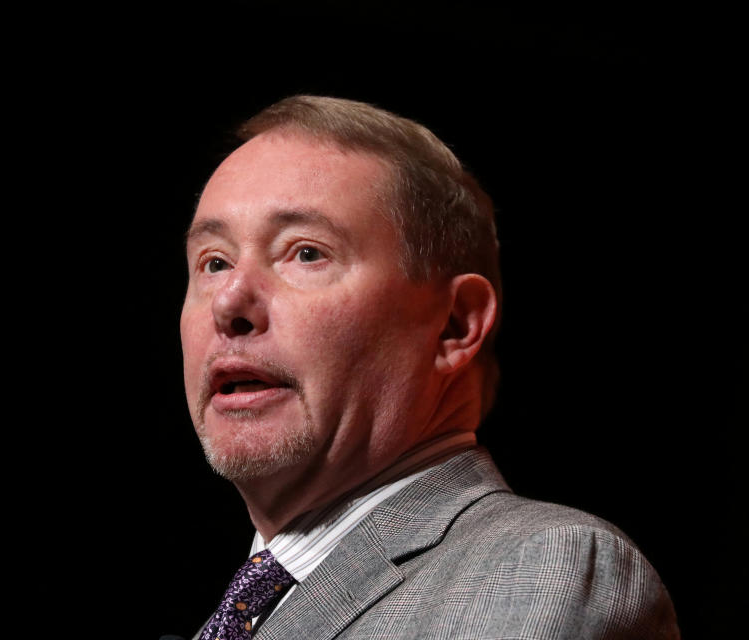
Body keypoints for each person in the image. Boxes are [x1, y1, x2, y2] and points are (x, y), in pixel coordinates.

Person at [178, 95, 679, 639]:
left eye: (305, 253)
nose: (229, 303)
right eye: (214, 262)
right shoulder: (248, 612)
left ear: (455, 325)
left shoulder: (535, 568)